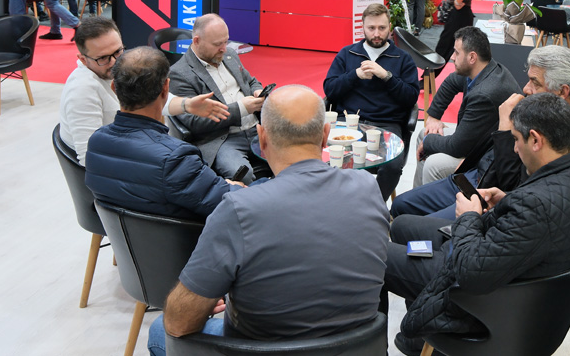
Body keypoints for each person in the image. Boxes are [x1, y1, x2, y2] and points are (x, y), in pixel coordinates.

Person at [148, 86, 389, 353]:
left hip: (260, 348)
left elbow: (178, 324)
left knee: (159, 330)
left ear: (262, 138)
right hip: (357, 348)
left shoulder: (238, 209)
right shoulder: (369, 187)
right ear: (325, 136)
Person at [384, 93, 570, 354]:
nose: (514, 149)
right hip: (518, 278)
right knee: (401, 226)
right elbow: (548, 213)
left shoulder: (534, 206)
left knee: (374, 255)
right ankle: (419, 336)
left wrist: (468, 216)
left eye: (516, 139)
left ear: (536, 140)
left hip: (487, 296)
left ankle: (394, 340)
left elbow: (470, 273)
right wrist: (508, 199)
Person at [391, 44, 570, 220]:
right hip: (477, 175)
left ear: (563, 92)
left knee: (407, 224)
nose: (526, 88)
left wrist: (506, 128)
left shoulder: (569, 139)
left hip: (490, 196)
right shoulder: (551, 111)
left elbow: (515, 185)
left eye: (534, 83)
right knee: (400, 205)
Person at [84, 47, 238, 219]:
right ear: (166, 88)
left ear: (114, 87)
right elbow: (232, 203)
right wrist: (233, 186)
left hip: (125, 236)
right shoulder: (176, 158)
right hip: (189, 235)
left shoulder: (96, 143)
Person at [59, 17, 229, 164]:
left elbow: (148, 99)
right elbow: (90, 157)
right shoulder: (82, 90)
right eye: (103, 58)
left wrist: (187, 105)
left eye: (118, 51)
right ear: (83, 59)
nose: (114, 62)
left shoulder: (108, 72)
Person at [323, 3, 421, 200]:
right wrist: (355, 75)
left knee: (393, 166)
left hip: (386, 124)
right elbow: (330, 90)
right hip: (347, 122)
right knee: (322, 159)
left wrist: (387, 76)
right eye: (371, 28)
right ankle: (336, 203)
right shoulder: (347, 54)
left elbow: (411, 97)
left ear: (390, 27)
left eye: (382, 28)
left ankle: (372, 205)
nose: (377, 34)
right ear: (363, 27)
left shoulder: (402, 58)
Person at [169, 13, 270, 181]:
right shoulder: (179, 74)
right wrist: (241, 108)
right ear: (197, 41)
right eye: (217, 44)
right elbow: (195, 123)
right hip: (222, 139)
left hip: (256, 128)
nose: (224, 48)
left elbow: (250, 81)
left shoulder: (230, 55)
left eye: (226, 41)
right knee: (244, 175)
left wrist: (257, 91)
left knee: (293, 158)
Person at [414, 26, 520, 186]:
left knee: (433, 163)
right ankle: (416, 195)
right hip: (478, 141)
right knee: (424, 133)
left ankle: (428, 199)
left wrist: (429, 142)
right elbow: (451, 82)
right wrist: (434, 116)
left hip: (489, 157)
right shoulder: (484, 68)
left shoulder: (484, 94)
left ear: (472, 57)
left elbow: (457, 147)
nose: (452, 57)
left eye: (456, 53)